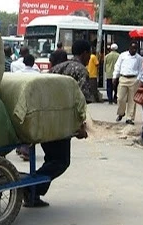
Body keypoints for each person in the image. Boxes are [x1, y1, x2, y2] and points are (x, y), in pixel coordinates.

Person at [24, 40, 90, 207]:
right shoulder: (81, 70)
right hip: (60, 125)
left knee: (52, 159)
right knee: (61, 161)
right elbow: (80, 102)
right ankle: (30, 188)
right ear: (84, 53)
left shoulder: (57, 68)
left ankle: (33, 194)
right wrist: (80, 128)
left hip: (45, 120)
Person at [113, 41, 143, 125]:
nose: (134, 50)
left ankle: (130, 118)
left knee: (132, 100)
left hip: (133, 79)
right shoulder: (122, 55)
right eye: (132, 48)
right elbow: (117, 66)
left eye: (135, 48)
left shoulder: (139, 58)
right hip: (123, 78)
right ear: (129, 48)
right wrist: (115, 76)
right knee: (120, 98)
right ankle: (121, 113)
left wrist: (138, 80)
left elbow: (141, 70)